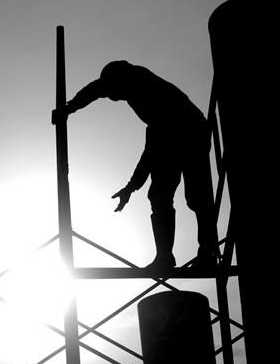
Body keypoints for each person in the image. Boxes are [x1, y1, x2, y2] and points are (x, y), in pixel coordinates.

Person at [52, 60, 218, 272]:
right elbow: (94, 90)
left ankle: (208, 251)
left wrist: (131, 186)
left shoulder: (148, 90)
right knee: (159, 195)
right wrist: (69, 108)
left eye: (115, 94)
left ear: (121, 83)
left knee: (196, 195)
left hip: (191, 132)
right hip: (168, 134)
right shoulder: (126, 82)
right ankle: (165, 257)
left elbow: (151, 153)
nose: (115, 98)